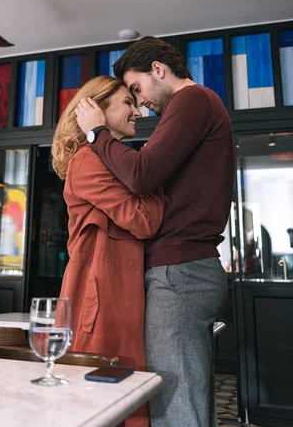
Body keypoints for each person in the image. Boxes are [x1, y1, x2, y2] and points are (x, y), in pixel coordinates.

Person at [75, 36, 235, 427]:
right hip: (187, 269)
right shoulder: (198, 106)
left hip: (180, 270)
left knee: (176, 403)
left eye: (137, 89)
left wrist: (98, 133)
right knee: (188, 398)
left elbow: (142, 173)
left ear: (158, 70)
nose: (141, 103)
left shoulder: (191, 101)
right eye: (129, 97)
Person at [52, 75, 165, 427]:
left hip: (117, 291)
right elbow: (144, 221)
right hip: (96, 295)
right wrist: (155, 177)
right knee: (96, 402)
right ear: (97, 111)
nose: (138, 112)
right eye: (127, 104)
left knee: (120, 398)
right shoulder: (87, 162)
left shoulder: (118, 161)